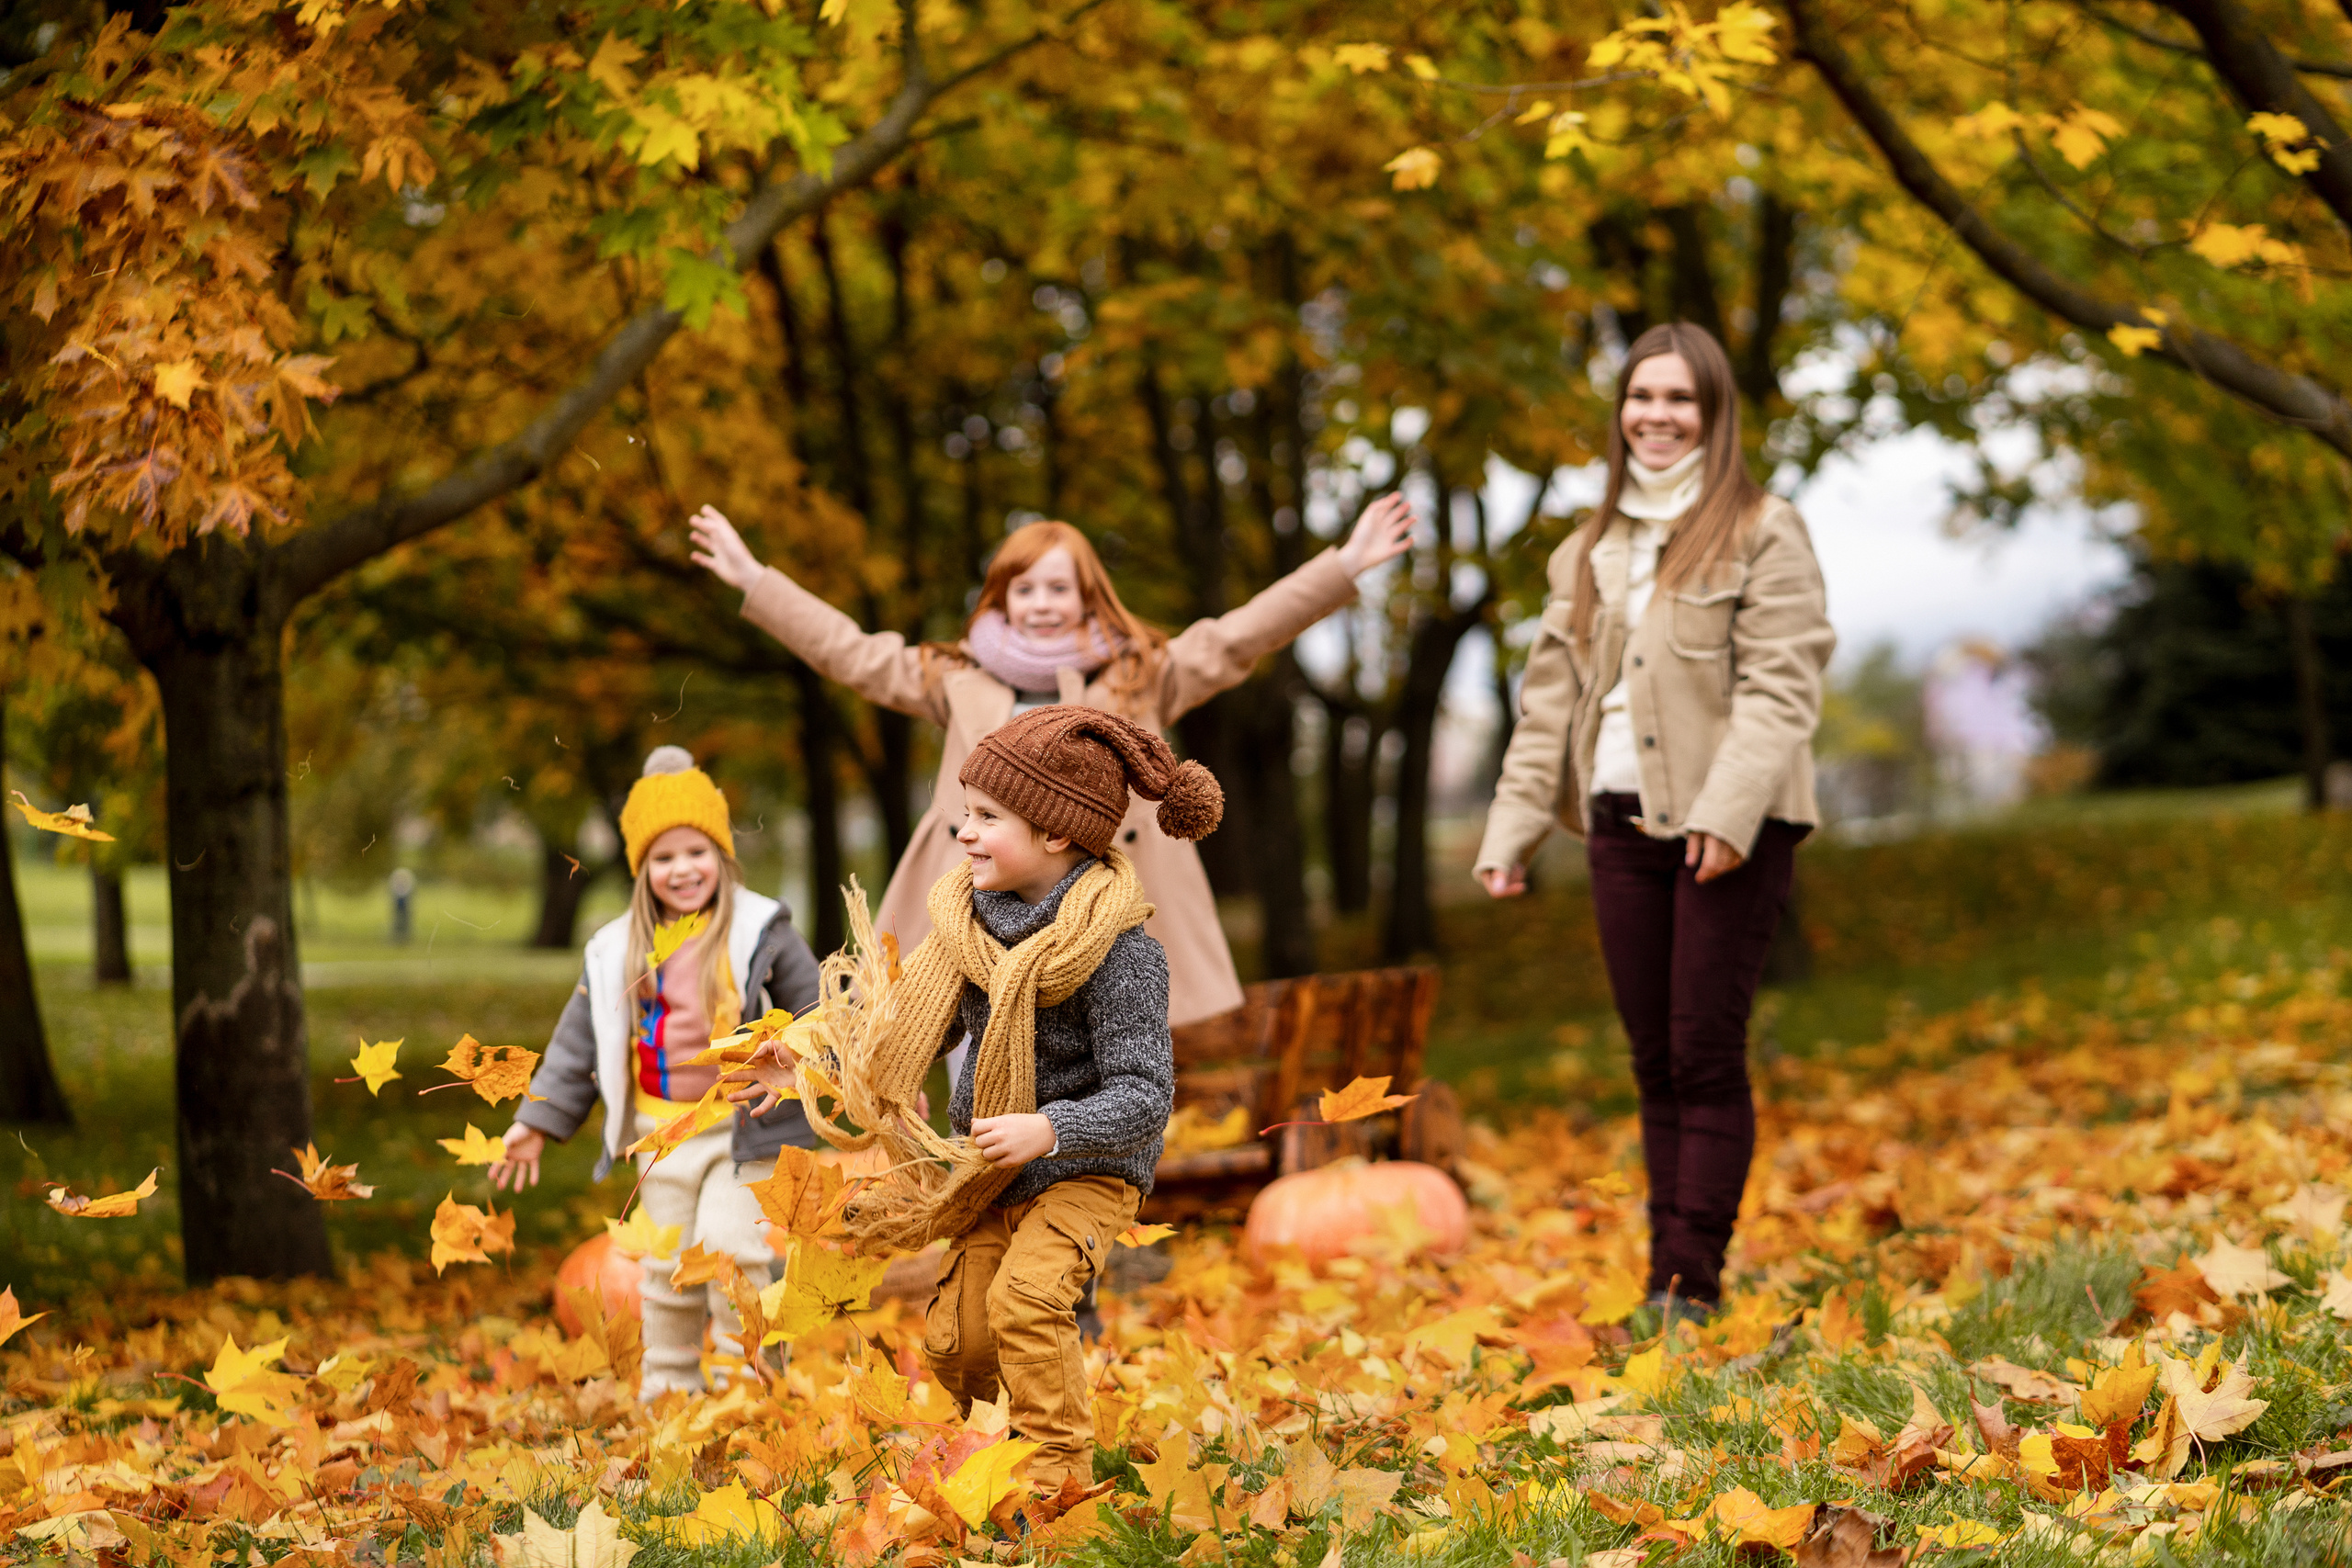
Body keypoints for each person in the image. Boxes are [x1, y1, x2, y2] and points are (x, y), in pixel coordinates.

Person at [686, 495, 1414, 1029]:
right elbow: (850, 650)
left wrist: (1343, 565)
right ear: (999, 598)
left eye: (1057, 588)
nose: (1041, 604)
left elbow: (1235, 637)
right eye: (1023, 588)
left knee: (1099, 1063)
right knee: (972, 1046)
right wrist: (756, 579)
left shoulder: (1138, 675)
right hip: (978, 910)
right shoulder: (957, 678)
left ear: (1088, 596)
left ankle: (1091, 1217)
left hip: (1094, 914)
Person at [729, 705, 1213, 1494]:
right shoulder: (969, 931)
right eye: (965, 813)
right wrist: (815, 1059)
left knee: (1027, 1302)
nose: (964, 832)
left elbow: (1144, 1097)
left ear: (1057, 832)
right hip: (994, 1171)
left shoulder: (1123, 953)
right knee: (958, 1338)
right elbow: (897, 1025)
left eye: (988, 816)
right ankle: (996, 1452)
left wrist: (1050, 1128)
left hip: (1086, 1165)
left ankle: (1056, 1481)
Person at [1473, 321, 1834, 1323]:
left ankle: (1689, 1279)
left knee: (1703, 1047)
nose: (1658, 416)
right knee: (1652, 1058)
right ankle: (1664, 1273)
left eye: (1681, 400)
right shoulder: (1587, 550)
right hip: (1616, 824)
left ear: (1714, 416)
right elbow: (1548, 703)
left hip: (1733, 825)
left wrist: (1727, 812)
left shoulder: (1765, 528)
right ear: (1619, 413)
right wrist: (1510, 835)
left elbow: (1781, 685)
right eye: (1642, 398)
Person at [489, 747, 824, 1396]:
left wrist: (853, 1078)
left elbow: (823, 1010)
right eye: (663, 857)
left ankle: (751, 1387)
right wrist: (536, 1119)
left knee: (731, 1251)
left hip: (742, 1130)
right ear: (642, 869)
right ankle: (669, 1390)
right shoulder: (617, 948)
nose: (682, 869)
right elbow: (575, 1043)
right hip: (660, 1137)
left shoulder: (760, 929)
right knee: (666, 1264)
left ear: (722, 854)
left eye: (696, 851)